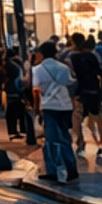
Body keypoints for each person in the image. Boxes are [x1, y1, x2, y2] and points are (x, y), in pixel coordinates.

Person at [31, 39, 78, 183]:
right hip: (65, 106)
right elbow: (70, 83)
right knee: (65, 137)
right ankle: (71, 169)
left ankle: (52, 170)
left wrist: (36, 108)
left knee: (51, 140)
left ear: (41, 53)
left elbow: (36, 90)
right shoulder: (63, 67)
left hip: (49, 106)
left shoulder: (37, 70)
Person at [68, 30, 102, 159]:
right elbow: (99, 73)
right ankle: (101, 142)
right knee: (97, 117)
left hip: (79, 91)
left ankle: (80, 143)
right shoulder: (91, 56)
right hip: (93, 89)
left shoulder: (71, 57)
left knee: (77, 119)